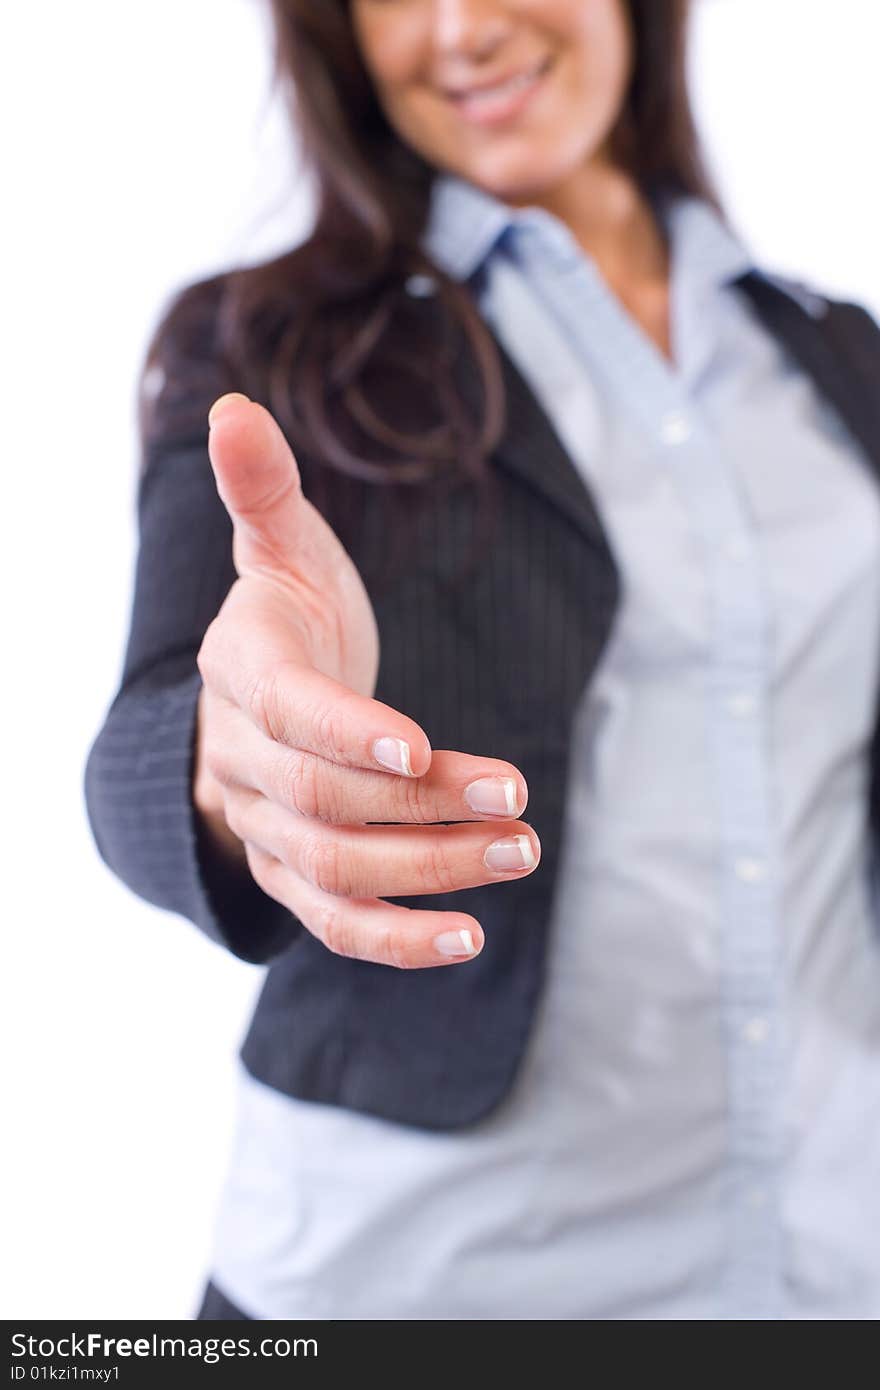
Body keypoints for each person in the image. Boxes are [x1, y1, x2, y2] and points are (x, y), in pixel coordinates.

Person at [84, 0, 880, 1320]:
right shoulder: (268, 347)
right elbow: (151, 731)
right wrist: (233, 769)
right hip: (422, 1279)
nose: (458, 30)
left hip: (821, 1254)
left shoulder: (842, 357)